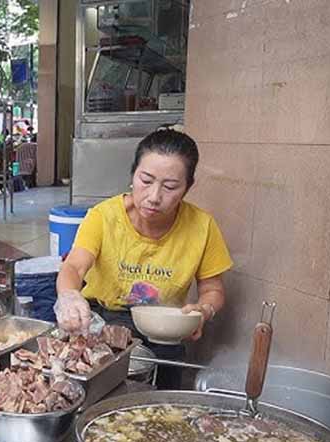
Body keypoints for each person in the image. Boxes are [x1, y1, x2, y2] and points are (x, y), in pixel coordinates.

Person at [54, 129, 233, 388]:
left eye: (170, 187)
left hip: (167, 331)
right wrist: (69, 296)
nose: (154, 196)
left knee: (162, 406)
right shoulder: (104, 216)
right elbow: (74, 265)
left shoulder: (202, 227)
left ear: (187, 188)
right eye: (146, 180)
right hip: (106, 322)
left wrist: (204, 310)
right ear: (132, 174)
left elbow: (213, 289)